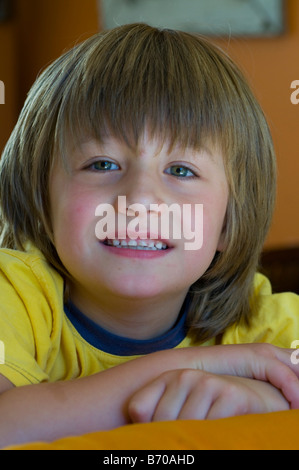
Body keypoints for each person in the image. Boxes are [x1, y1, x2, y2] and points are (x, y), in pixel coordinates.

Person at [0, 23, 298, 448]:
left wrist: (264, 396)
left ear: (229, 222)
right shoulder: (12, 294)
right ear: (41, 197)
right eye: (101, 164)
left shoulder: (260, 321)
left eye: (181, 171)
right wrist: (197, 368)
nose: (139, 200)